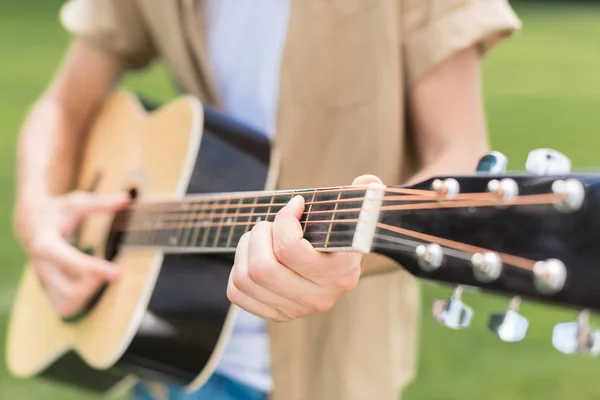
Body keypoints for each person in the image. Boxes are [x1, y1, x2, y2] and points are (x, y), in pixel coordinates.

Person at [12, 1, 522, 399]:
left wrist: (350, 252)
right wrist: (36, 209)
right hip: (159, 347)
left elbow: (460, 160)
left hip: (327, 369)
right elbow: (62, 103)